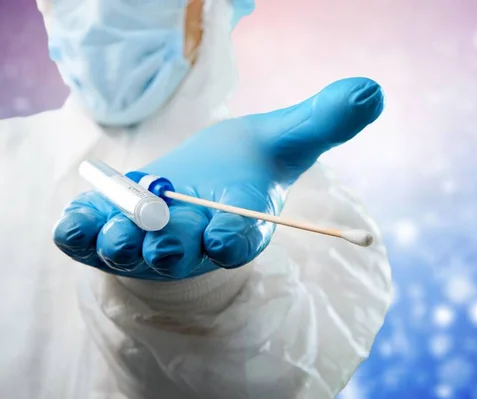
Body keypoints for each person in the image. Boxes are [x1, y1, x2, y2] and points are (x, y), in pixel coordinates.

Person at [0, 0, 392, 397]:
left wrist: (195, 298)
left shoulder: (309, 197)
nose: (98, 13)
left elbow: (279, 381)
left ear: (209, 8)